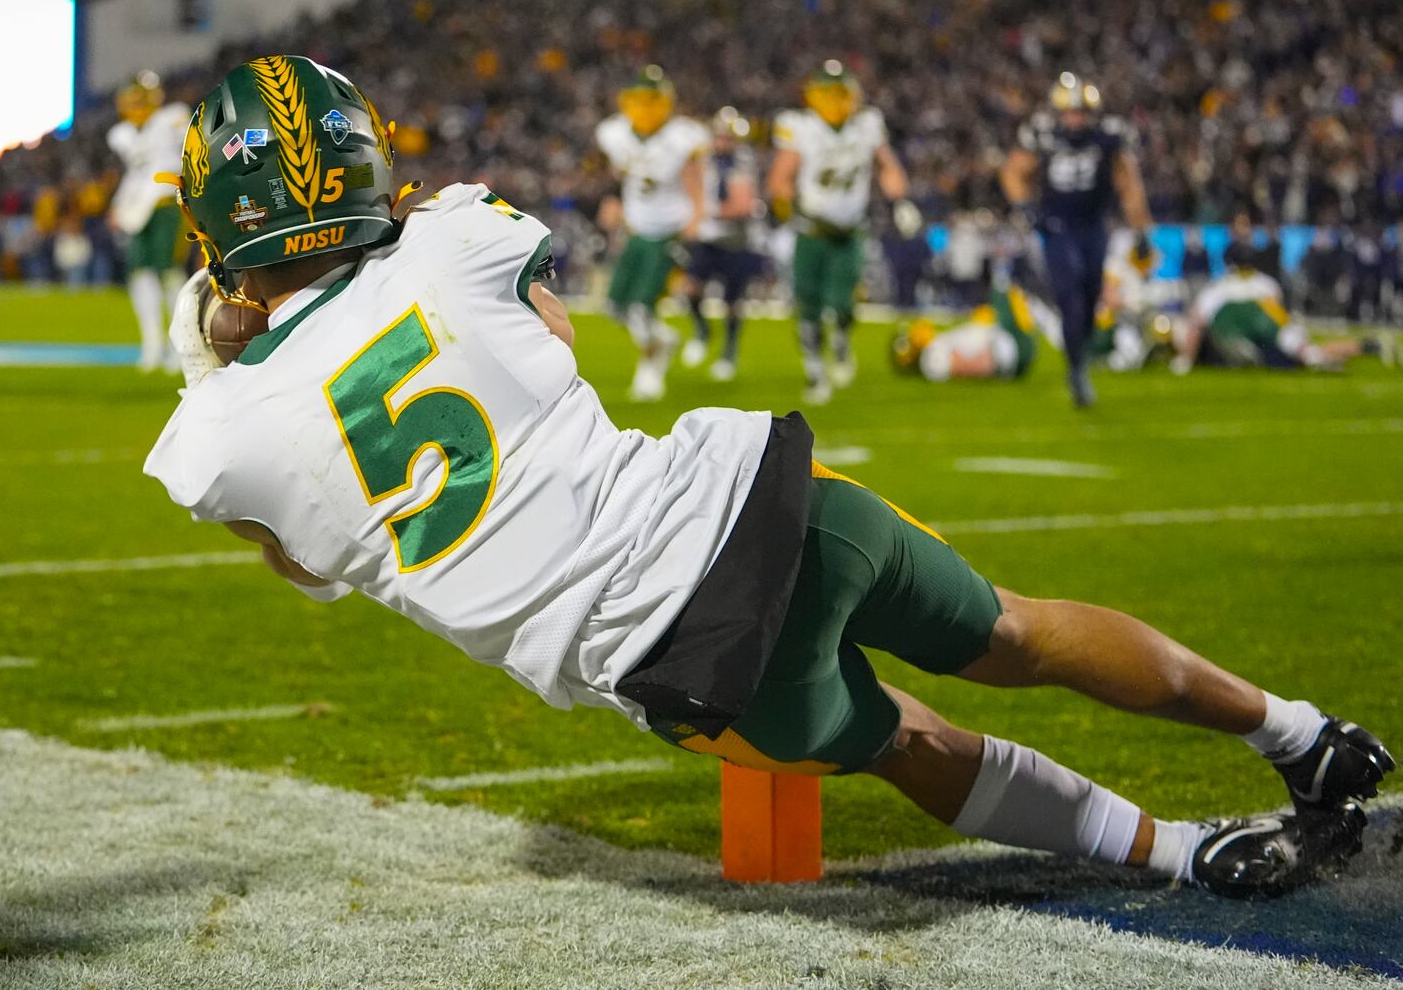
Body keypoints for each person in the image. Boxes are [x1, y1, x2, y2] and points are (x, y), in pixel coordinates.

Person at [148, 57, 1392, 902]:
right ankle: (1299, 732)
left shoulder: (218, 433)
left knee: (911, 734)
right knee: (1014, 626)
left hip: (678, 651)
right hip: (755, 491)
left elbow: (306, 561)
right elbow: (554, 336)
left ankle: (1182, 851)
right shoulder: (455, 232)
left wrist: (231, 353)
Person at [1002, 73, 1154, 407]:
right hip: (1056, 226)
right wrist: (1024, 207)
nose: (1075, 119)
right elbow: (1013, 172)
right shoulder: (1043, 133)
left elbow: (1129, 183)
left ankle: (1079, 356)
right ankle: (1077, 369)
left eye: (1080, 112)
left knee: (1088, 298)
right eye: (1069, 112)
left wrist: (1142, 230)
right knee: (1069, 295)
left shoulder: (1108, 137)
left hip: (1094, 226)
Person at [769, 60, 908, 404]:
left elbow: (888, 167)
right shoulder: (801, 127)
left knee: (844, 304)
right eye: (827, 93)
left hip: (849, 231)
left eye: (840, 93)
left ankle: (842, 340)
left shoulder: (867, 125)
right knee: (809, 308)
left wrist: (900, 201)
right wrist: (787, 204)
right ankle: (816, 371)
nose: (834, 100)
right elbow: (779, 178)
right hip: (812, 229)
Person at [594, 66, 709, 401]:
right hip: (636, 230)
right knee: (615, 306)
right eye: (640, 99)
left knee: (642, 307)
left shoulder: (682, 137)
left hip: (669, 230)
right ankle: (662, 339)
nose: (646, 108)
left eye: (652, 100)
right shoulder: (615, 133)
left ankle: (651, 368)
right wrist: (613, 201)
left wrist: (696, 221)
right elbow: (618, 173)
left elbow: (695, 182)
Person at [1172, 244, 1389, 373]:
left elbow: (1196, 322)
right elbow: (1278, 312)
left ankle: (1368, 347)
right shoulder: (1265, 283)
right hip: (1274, 334)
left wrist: (1185, 361)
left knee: (1307, 355)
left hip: (1255, 340)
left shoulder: (1218, 288)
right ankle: (1369, 346)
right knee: (1309, 353)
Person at [108, 70, 193, 372]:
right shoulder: (123, 134)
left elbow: (188, 155)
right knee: (140, 274)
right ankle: (152, 344)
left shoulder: (173, 118)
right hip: (140, 210)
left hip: (168, 204)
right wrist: (119, 204)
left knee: (169, 273)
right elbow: (135, 174)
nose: (133, 104)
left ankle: (181, 346)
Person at [684, 107, 764, 381]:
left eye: (727, 137)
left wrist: (705, 212)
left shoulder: (742, 163)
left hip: (737, 240)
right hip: (709, 238)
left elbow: (742, 206)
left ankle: (729, 351)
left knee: (732, 302)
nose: (722, 142)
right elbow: (689, 181)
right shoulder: (705, 160)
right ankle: (703, 331)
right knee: (690, 288)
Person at [890, 282, 1038, 383]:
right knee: (1003, 294)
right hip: (1004, 351)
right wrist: (994, 363)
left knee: (1003, 295)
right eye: (912, 338)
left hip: (1001, 345)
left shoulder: (933, 349)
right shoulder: (932, 359)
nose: (916, 332)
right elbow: (967, 365)